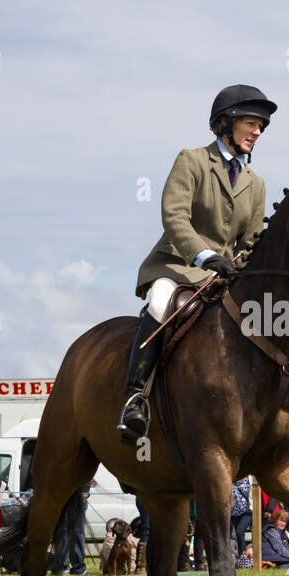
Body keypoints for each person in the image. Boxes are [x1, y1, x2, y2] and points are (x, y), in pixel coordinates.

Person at [118, 84, 274, 443]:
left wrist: (246, 267)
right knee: (159, 302)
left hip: (223, 276)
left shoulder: (256, 184)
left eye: (261, 127)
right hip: (177, 265)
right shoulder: (192, 160)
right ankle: (134, 399)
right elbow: (174, 218)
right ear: (225, 123)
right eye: (251, 123)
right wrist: (206, 256)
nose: (257, 132)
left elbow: (250, 242)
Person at [50, 484, 91, 576]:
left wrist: (85, 492)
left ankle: (75, 567)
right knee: (64, 532)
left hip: (76, 496)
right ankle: (65, 567)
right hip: (62, 496)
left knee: (75, 533)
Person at [230, 477, 253, 556]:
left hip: (248, 511)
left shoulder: (249, 478)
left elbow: (252, 494)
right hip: (234, 512)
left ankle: (243, 555)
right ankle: (241, 556)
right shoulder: (231, 479)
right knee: (238, 534)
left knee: (240, 531)